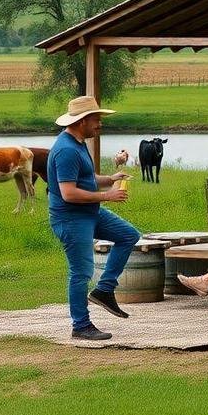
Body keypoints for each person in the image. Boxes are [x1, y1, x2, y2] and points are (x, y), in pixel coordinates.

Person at [46, 95, 136, 341]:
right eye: (96, 119)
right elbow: (69, 193)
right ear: (82, 120)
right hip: (71, 219)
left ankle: (105, 290)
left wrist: (110, 178)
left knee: (129, 235)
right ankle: (81, 326)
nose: (100, 124)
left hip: (90, 213)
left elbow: (85, 177)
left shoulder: (77, 143)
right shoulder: (65, 150)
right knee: (81, 272)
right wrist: (107, 196)